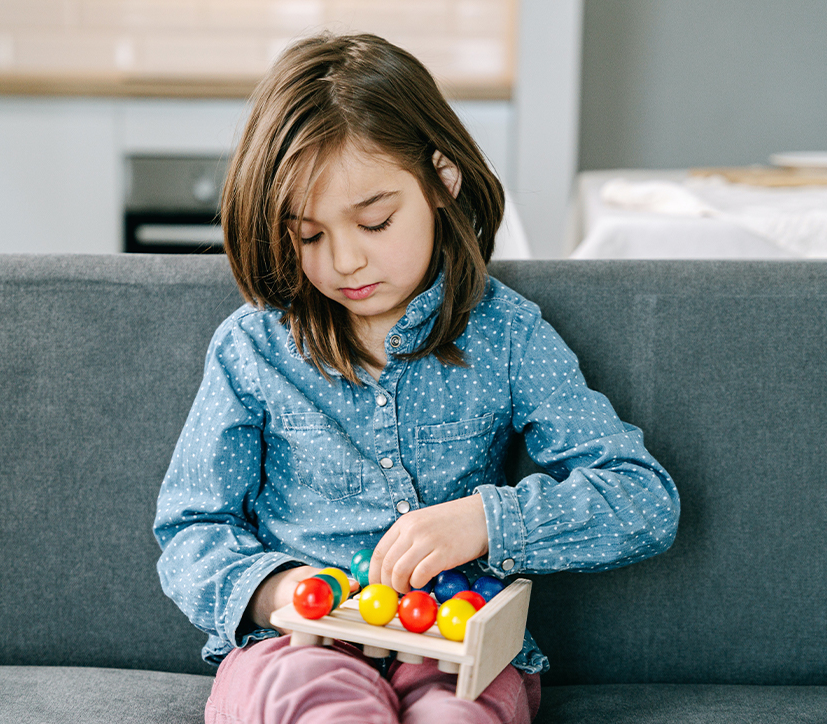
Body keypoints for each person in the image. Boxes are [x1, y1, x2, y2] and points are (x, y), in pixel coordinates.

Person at [154, 32, 679, 724]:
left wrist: (488, 521)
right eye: (309, 236)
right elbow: (191, 527)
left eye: (374, 221)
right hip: (294, 648)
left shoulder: (507, 335)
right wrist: (276, 590)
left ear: (441, 178)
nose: (344, 261)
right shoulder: (253, 348)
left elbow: (642, 499)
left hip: (455, 645)